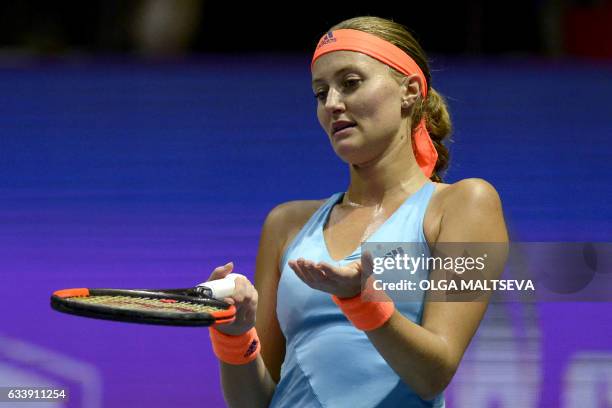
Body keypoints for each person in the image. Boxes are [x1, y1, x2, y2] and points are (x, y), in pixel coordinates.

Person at [206, 16, 508, 408]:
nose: (332, 104)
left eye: (350, 83)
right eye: (320, 92)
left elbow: (434, 373)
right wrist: (236, 335)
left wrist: (362, 301)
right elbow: (254, 403)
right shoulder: (285, 224)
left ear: (410, 91)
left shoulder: (466, 205)